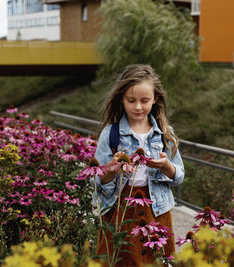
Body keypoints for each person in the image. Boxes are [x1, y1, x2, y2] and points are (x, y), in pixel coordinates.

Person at [91, 64, 184, 266]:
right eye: (131, 100)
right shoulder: (111, 133)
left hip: (157, 210)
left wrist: (165, 165)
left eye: (145, 100)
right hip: (120, 209)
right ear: (121, 99)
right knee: (118, 259)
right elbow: (96, 179)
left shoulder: (164, 133)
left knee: (157, 261)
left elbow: (179, 176)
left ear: (155, 99)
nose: (138, 107)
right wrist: (112, 169)